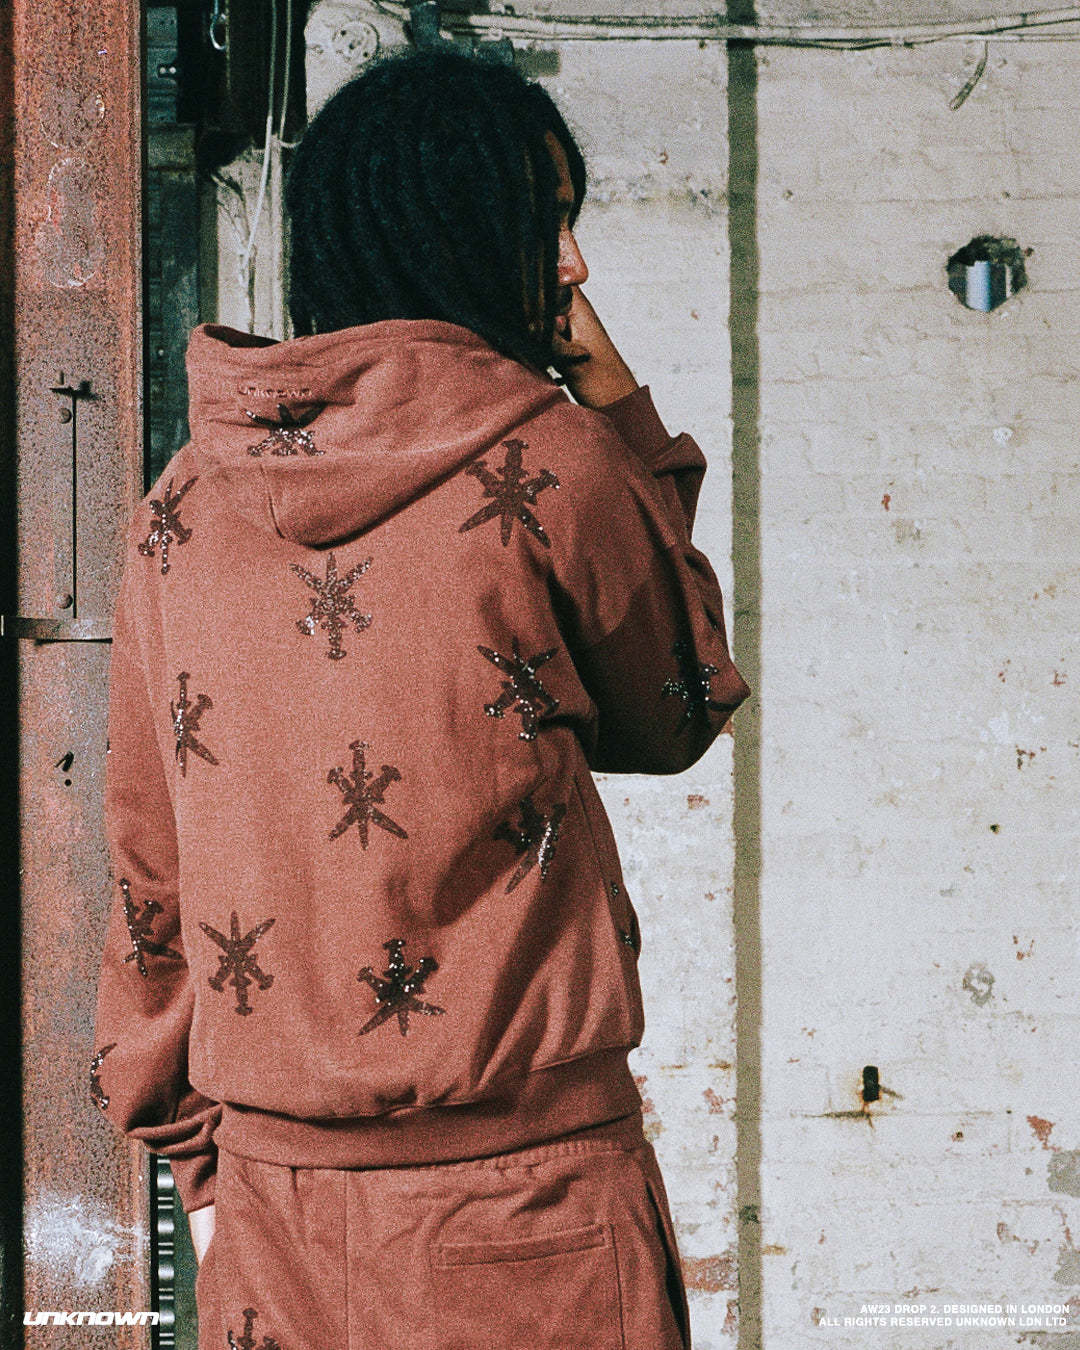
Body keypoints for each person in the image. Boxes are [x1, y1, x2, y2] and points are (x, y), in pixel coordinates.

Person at [92, 43, 749, 1350]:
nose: (572, 264)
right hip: (533, 1211)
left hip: (276, 1218)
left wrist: (204, 1181)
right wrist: (614, 400)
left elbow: (148, 867)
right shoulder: (550, 460)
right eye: (546, 221)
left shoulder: (185, 504)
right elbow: (678, 702)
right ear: (461, 231)